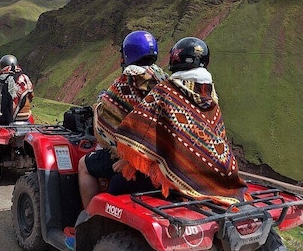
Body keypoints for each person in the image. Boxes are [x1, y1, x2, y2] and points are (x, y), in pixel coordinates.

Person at [115, 37, 251, 206]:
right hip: (219, 175)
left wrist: (127, 160)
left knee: (115, 187)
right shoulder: (210, 95)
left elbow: (143, 129)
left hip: (178, 177)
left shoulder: (166, 91)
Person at [77, 30, 169, 209]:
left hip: (135, 159)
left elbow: (106, 119)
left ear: (128, 54)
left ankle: (89, 218)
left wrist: (98, 106)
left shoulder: (126, 82)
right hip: (160, 157)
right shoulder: (164, 79)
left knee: (84, 166)